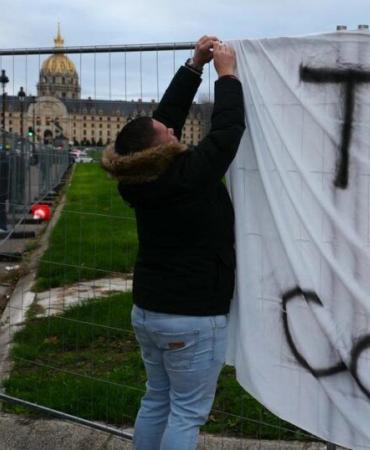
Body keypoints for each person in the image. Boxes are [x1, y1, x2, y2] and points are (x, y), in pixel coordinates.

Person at [101, 36, 245, 450]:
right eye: (167, 133)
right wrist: (227, 75)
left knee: (158, 398)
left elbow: (162, 120)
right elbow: (227, 131)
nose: (171, 129)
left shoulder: (137, 178)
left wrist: (193, 67)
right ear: (159, 147)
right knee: (186, 411)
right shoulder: (186, 175)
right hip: (192, 315)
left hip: (150, 310)